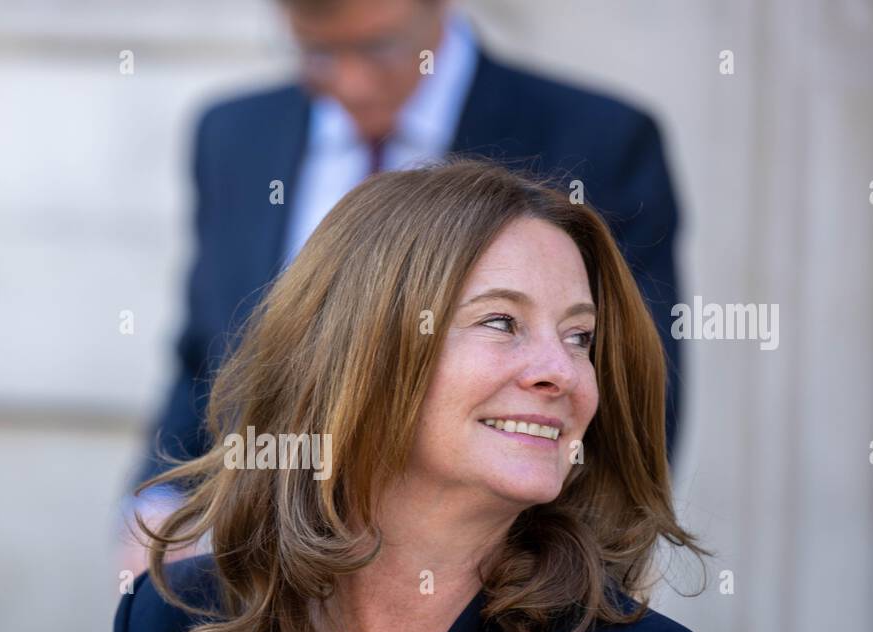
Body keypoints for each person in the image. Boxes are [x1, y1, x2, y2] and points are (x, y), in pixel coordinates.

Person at [84, 160, 733, 632]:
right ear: (361, 350)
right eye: (501, 322)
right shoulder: (176, 619)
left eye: (580, 336)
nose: (563, 372)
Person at [118, 0, 685, 573]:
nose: (351, 84)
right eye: (316, 52)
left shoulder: (596, 137)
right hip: (265, 570)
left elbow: (637, 387)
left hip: (504, 586)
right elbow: (208, 353)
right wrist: (159, 507)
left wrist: (556, 587)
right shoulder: (234, 135)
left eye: (378, 48)